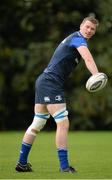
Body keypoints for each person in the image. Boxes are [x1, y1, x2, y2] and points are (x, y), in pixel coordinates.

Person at [15, 16, 99, 173]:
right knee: (63, 123)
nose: (89, 30)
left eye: (92, 29)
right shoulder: (78, 39)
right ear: (81, 26)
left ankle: (22, 163)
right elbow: (87, 58)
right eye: (87, 26)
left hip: (44, 81)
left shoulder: (76, 38)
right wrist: (97, 75)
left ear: (94, 32)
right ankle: (64, 167)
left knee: (37, 124)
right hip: (50, 83)